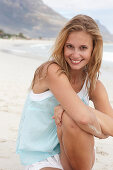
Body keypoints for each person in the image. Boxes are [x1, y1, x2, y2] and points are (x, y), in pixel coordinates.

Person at [16, 14, 113, 170]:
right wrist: (98, 130)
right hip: (42, 157)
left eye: (83, 48)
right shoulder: (51, 71)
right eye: (70, 46)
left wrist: (71, 109)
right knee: (74, 116)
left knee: (70, 116)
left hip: (77, 152)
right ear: (62, 46)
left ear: (93, 49)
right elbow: (83, 118)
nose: (75, 55)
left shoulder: (94, 85)